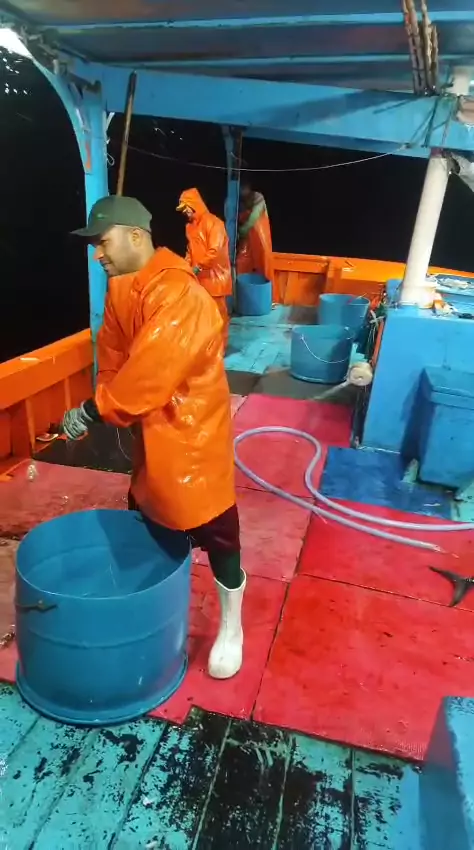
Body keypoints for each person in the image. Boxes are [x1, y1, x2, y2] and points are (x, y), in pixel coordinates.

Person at [61, 195, 245, 680]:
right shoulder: (121, 288)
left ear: (135, 235)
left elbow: (151, 372)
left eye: (103, 242)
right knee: (147, 513)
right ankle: (155, 605)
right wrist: (107, 396)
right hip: (149, 430)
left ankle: (232, 627)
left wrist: (94, 409)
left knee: (218, 532)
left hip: (194, 435)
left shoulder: (181, 293)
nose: (97, 254)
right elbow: (112, 351)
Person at [177, 188, 232, 347]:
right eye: (182, 209)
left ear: (194, 204)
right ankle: (206, 346)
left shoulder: (215, 223)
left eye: (186, 207)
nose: (185, 212)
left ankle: (220, 346)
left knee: (218, 315)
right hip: (199, 279)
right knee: (201, 314)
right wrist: (185, 266)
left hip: (215, 278)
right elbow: (190, 251)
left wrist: (198, 267)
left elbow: (215, 251)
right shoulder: (190, 227)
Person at [237, 177, 277, 301]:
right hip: (247, 240)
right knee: (241, 262)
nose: (242, 191)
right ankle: (241, 296)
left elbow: (254, 217)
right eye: (240, 188)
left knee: (264, 263)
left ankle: (270, 298)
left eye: (244, 188)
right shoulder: (237, 202)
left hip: (261, 237)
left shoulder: (258, 197)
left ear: (249, 187)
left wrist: (243, 230)